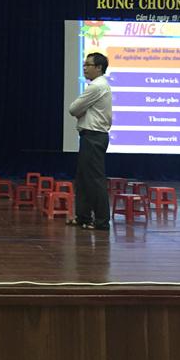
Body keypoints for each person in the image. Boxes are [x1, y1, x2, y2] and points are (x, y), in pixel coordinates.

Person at [67, 52, 112, 231]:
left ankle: (101, 221)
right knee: (83, 179)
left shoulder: (97, 86)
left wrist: (80, 112)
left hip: (94, 136)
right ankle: (83, 217)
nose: (84, 68)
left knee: (94, 179)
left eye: (88, 65)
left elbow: (73, 109)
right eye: (84, 65)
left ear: (99, 68)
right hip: (90, 136)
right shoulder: (98, 85)